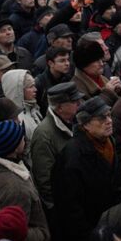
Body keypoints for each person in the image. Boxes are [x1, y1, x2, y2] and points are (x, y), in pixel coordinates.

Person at [51, 96, 121, 241]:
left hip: (108, 226)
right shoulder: (73, 157)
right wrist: (92, 238)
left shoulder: (109, 143)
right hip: (86, 238)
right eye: (101, 118)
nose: (109, 121)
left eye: (109, 115)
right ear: (85, 124)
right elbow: (70, 209)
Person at [31, 81, 85, 211]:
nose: (80, 104)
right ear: (60, 108)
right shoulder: (44, 135)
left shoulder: (77, 121)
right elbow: (45, 180)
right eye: (74, 102)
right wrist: (59, 208)